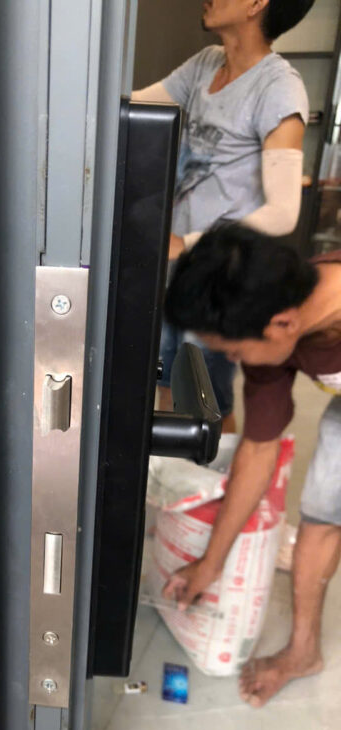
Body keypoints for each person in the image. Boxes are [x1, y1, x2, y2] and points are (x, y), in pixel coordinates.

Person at [163, 222, 341, 708]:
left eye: (235, 352)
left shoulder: (279, 320)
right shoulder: (278, 315)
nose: (236, 359)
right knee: (323, 510)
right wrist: (210, 565)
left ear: (282, 324)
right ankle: (303, 652)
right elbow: (259, 450)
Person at [132, 0, 314, 432]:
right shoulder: (206, 64)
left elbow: (283, 214)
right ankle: (173, 471)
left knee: (208, 400)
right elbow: (133, 105)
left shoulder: (279, 88)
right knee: (167, 378)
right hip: (177, 261)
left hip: (220, 275)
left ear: (257, 4)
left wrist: (188, 243)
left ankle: (212, 469)